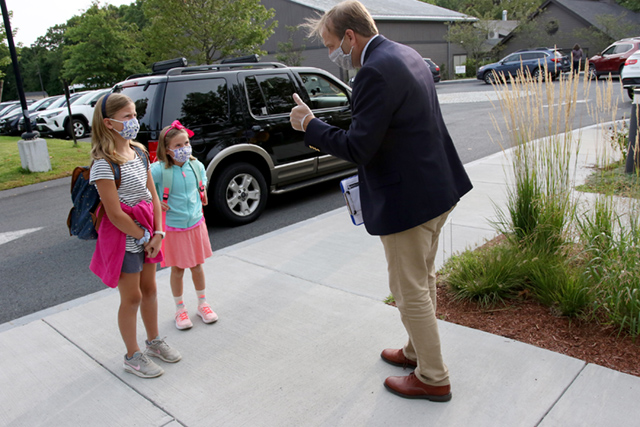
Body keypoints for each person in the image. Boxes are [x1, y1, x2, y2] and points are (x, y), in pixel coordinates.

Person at [290, 0, 472, 402]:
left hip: (408, 200)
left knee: (409, 290)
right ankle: (416, 351)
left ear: (350, 37)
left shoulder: (373, 71)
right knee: (422, 279)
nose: (333, 54)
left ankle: (433, 376)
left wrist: (310, 125)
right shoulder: (405, 54)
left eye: (331, 45)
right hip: (436, 187)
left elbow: (358, 147)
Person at [89, 93, 181, 378]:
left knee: (150, 289)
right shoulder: (103, 163)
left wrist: (158, 232)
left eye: (134, 115)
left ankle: (154, 342)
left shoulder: (139, 152)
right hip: (126, 238)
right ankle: (132, 356)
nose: (134, 121)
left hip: (149, 233)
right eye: (127, 116)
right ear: (109, 123)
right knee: (132, 297)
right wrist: (143, 237)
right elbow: (115, 213)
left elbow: (152, 195)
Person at [150, 120, 218, 330]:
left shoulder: (196, 166)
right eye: (178, 146)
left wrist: (203, 190)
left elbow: (203, 180)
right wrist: (154, 201)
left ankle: (202, 304)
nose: (184, 148)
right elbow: (144, 188)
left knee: (197, 266)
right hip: (174, 228)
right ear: (167, 150)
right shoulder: (158, 170)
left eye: (186, 143)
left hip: (196, 224)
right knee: (178, 269)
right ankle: (180, 308)